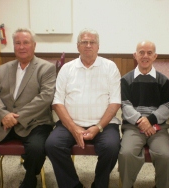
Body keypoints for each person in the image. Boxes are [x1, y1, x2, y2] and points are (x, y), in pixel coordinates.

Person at [45, 28, 121, 188]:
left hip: (104, 125)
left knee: (112, 147)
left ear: (98, 47)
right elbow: (57, 102)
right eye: (84, 42)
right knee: (52, 145)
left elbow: (115, 102)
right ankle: (72, 185)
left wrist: (98, 127)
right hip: (70, 123)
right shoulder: (67, 69)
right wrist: (73, 128)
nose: (88, 45)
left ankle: (99, 184)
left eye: (92, 42)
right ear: (78, 46)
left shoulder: (110, 67)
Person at [0, 28, 56, 188]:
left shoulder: (46, 68)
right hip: (2, 122)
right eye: (18, 43)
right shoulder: (3, 69)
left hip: (35, 123)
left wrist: (14, 117)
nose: (22, 47)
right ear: (14, 46)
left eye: (26, 43)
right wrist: (3, 115)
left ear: (34, 45)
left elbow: (45, 98)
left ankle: (30, 178)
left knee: (37, 149)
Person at [118, 40, 169, 188]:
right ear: (135, 55)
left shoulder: (163, 81)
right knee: (126, 154)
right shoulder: (125, 80)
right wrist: (141, 121)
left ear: (155, 56)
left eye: (149, 53)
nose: (145, 56)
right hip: (133, 126)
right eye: (141, 52)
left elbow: (166, 106)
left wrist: (150, 121)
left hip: (157, 125)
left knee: (165, 155)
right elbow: (125, 105)